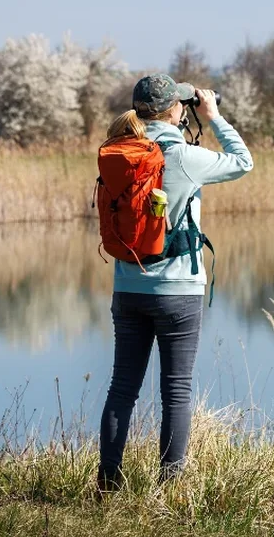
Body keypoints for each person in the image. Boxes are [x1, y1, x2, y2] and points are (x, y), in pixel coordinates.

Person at [97, 74, 253, 490]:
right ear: (174, 110)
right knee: (176, 392)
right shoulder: (183, 156)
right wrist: (214, 116)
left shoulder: (119, 152)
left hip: (127, 287)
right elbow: (243, 161)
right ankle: (169, 486)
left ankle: (108, 483)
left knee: (122, 389)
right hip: (177, 292)